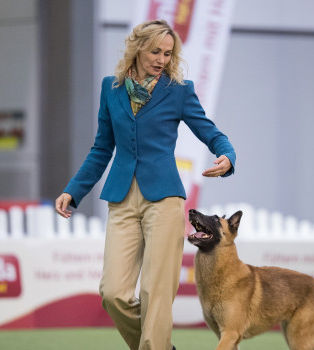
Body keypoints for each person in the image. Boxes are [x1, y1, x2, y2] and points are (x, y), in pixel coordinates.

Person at [55, 19, 236, 350]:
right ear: (137, 48)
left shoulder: (179, 91)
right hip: (121, 199)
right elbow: (101, 148)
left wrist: (226, 155)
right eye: (155, 51)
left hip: (164, 199)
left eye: (168, 53)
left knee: (156, 292)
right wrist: (74, 189)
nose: (161, 59)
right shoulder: (111, 89)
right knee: (113, 294)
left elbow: (210, 132)